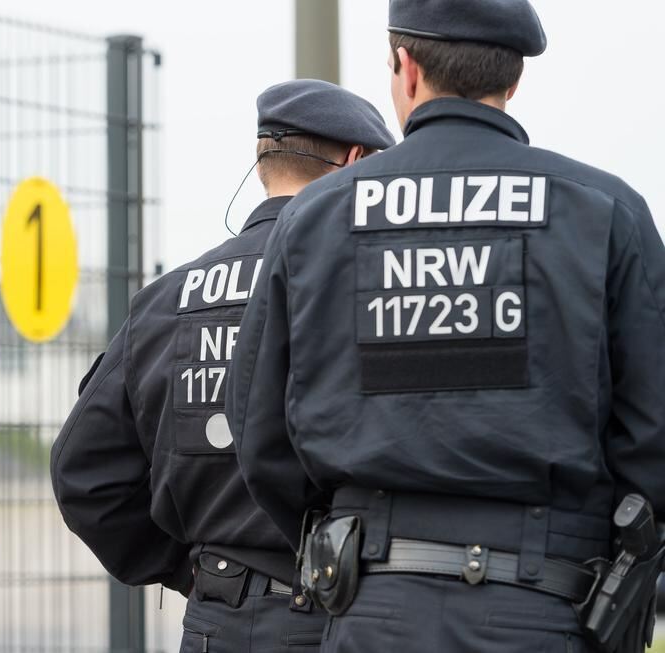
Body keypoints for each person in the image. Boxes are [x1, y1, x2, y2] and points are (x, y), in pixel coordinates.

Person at [226, 2, 665, 652]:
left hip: (373, 603)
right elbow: (653, 435)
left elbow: (258, 430)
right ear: (512, 79)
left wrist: (349, 533)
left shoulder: (315, 216)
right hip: (547, 605)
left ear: (406, 67)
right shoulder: (606, 210)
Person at [50, 79, 394, 652]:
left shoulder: (168, 299)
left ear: (264, 159)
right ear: (354, 163)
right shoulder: (372, 288)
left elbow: (82, 472)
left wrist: (196, 571)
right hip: (356, 614)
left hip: (223, 621)